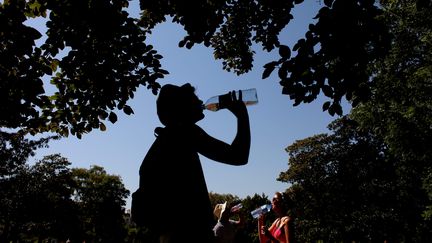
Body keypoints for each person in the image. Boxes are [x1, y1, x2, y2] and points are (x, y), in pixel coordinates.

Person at [132, 83, 251, 243]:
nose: (201, 102)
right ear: (182, 108)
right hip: (187, 234)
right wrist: (242, 115)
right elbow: (238, 156)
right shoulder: (184, 132)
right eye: (195, 100)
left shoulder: (168, 138)